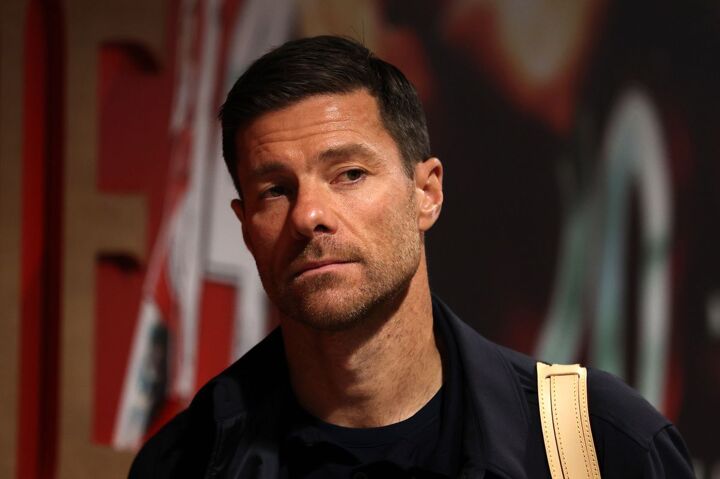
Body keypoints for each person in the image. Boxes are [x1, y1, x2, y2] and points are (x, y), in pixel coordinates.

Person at [129, 35, 694, 479]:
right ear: (245, 226)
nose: (308, 215)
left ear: (427, 193)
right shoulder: (187, 463)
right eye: (275, 190)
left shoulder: (600, 443)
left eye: (349, 174)